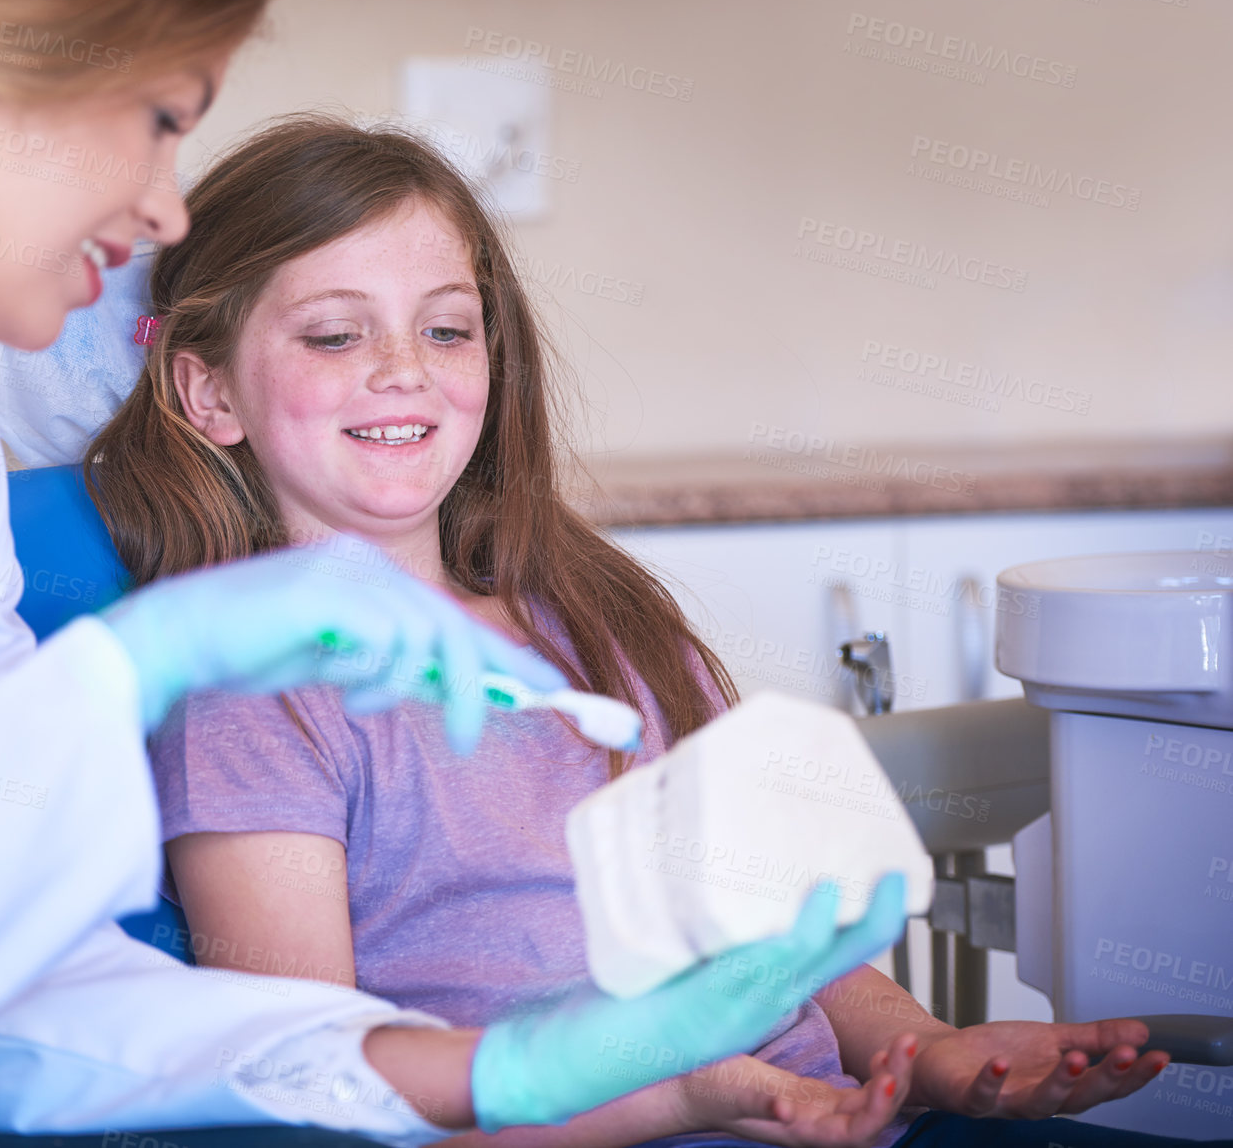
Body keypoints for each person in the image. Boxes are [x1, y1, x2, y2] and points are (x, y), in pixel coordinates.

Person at [0, 0, 908, 1146]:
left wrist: (477, 1076)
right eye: (163, 117)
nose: (168, 209)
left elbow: (15, 981)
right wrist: (130, 669)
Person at [86, 117, 1194, 1148]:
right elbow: (324, 1093)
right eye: (335, 333)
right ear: (207, 391)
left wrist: (932, 1052)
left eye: (446, 328)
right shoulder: (247, 696)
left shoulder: (599, 621)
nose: (405, 369)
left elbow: (782, 921)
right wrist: (678, 1093)